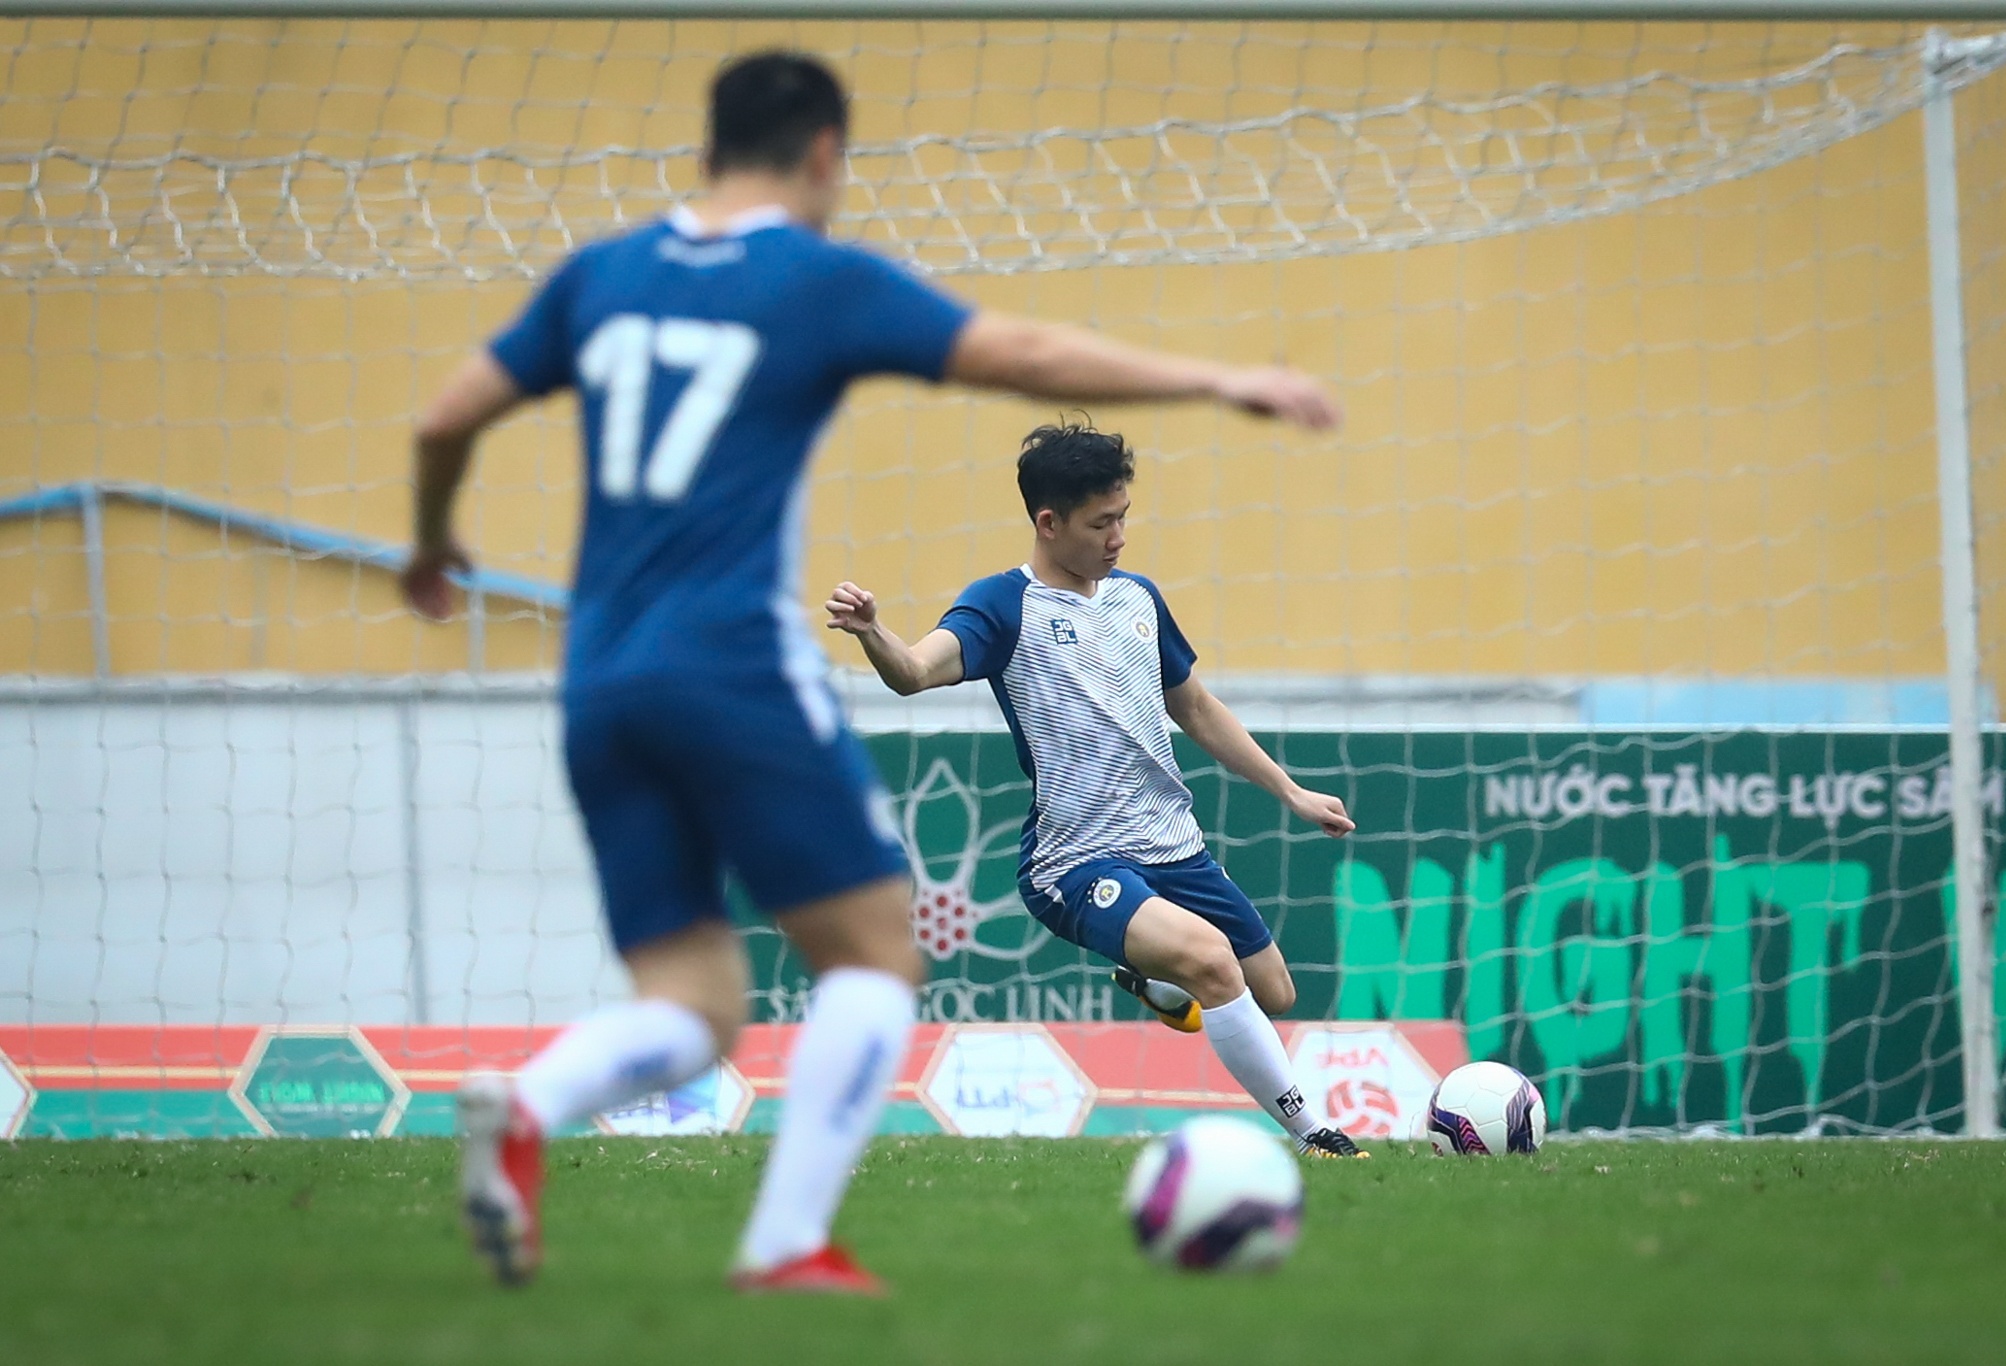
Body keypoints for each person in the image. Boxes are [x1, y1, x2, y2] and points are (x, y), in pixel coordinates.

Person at [401, 51, 1340, 1296]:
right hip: (729, 662)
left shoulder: (600, 276)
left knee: (692, 997)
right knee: (876, 953)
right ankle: (787, 1241)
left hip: (596, 678)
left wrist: (429, 544)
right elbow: (1020, 352)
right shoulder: (809, 276)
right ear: (825, 157)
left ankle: (525, 1103)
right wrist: (1217, 379)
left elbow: (441, 419)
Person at [827, 421, 1363, 1159]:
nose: (1118, 538)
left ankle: (1160, 985)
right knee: (1211, 960)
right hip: (1075, 863)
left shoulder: (1139, 600)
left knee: (1270, 992)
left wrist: (1291, 792)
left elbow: (1196, 708)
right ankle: (1318, 1135)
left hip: (1173, 845)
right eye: (1102, 522)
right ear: (1048, 523)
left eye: (1123, 518)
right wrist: (872, 632)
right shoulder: (1002, 606)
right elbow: (915, 673)